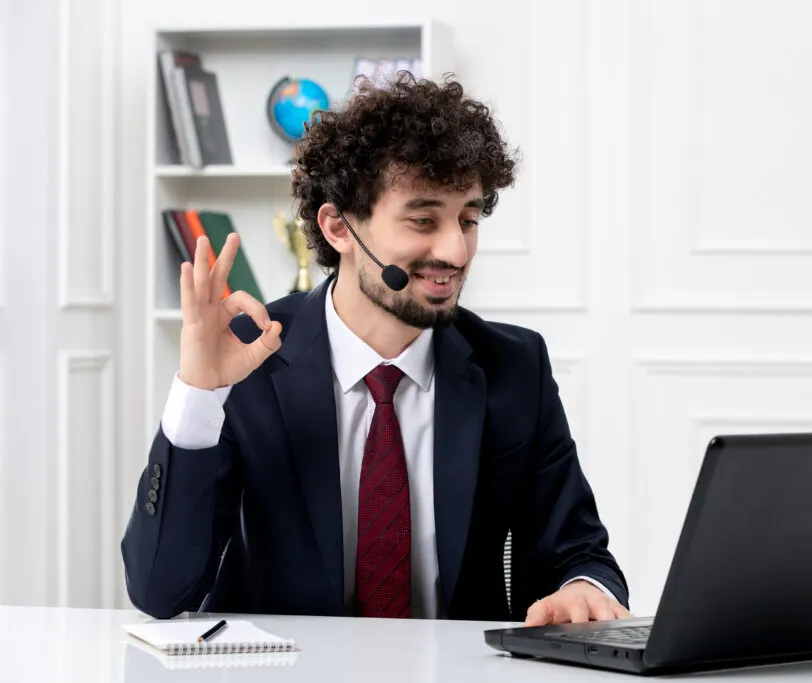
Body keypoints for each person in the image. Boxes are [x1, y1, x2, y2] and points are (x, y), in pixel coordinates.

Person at [121, 73, 630, 625]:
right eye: (422, 220)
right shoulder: (250, 354)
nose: (456, 251)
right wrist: (199, 393)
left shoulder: (513, 365)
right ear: (339, 226)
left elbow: (579, 552)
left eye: (468, 219)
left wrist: (583, 588)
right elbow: (159, 590)